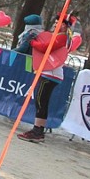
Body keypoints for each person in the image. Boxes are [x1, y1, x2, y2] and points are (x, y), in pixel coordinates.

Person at [16, 15, 80, 143]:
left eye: (58, 23)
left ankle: (38, 130)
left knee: (41, 101)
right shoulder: (59, 36)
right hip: (48, 72)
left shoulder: (62, 37)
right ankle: (38, 129)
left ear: (64, 25)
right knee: (40, 101)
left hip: (51, 73)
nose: (55, 25)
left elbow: (46, 47)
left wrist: (32, 42)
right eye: (55, 22)